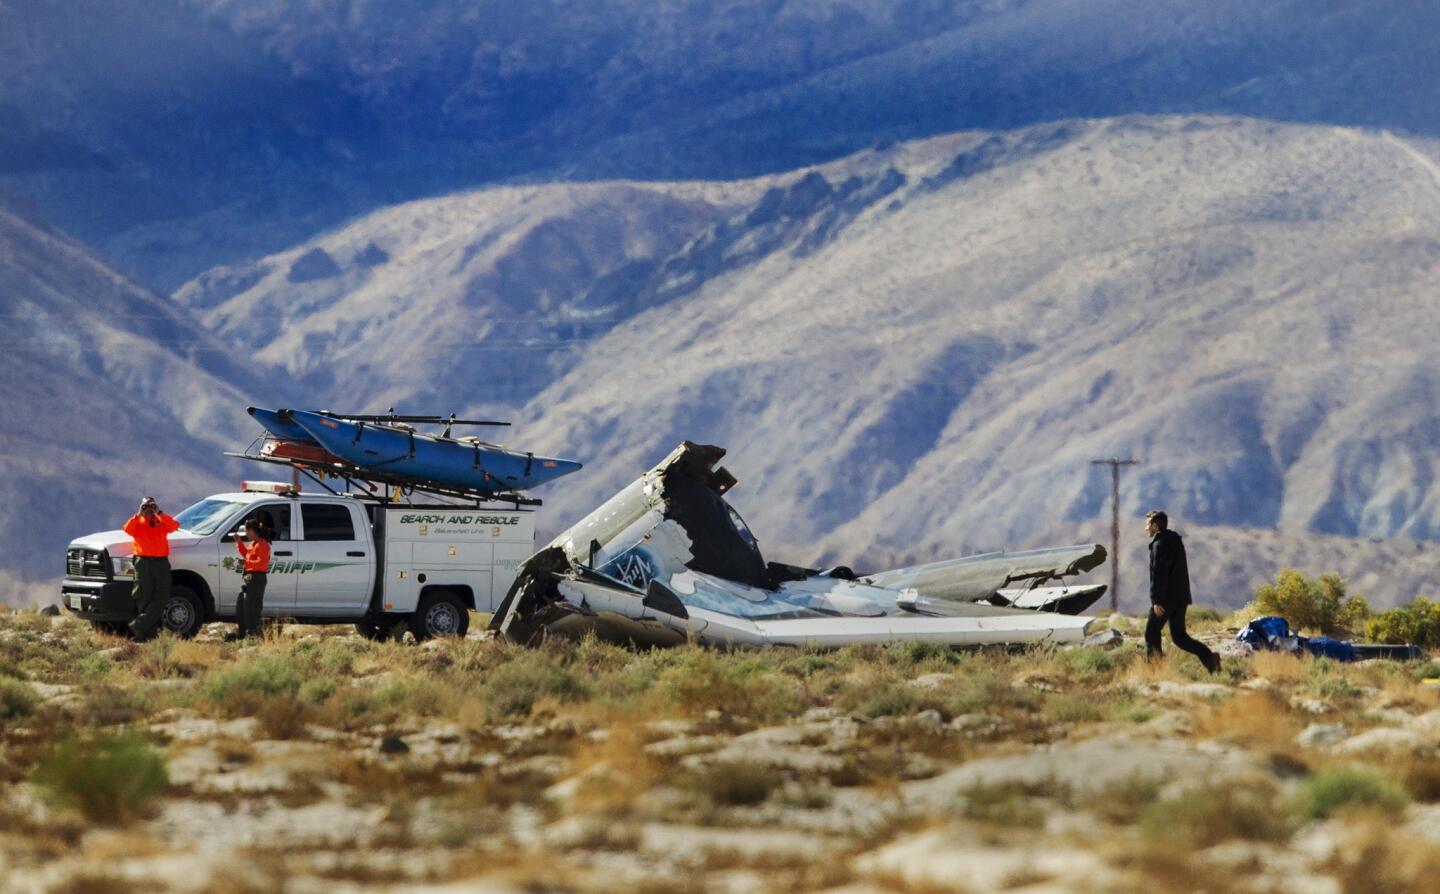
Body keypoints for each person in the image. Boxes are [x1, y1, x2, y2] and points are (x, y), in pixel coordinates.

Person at [1146, 509, 1221, 674]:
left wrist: (1156, 601)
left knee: (1151, 632)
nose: (1146, 528)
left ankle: (1155, 670)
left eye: (1148, 525)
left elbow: (1159, 575)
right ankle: (1210, 659)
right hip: (1181, 598)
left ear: (1155, 525)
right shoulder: (1175, 541)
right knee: (1179, 637)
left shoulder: (1159, 544)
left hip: (1165, 599)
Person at [121, 496, 180, 640]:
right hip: (143, 562)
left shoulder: (161, 520)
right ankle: (145, 634)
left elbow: (174, 526)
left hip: (161, 562)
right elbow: (127, 529)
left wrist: (159, 512)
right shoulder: (137, 522)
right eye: (146, 506)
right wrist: (138, 514)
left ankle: (139, 624)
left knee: (163, 595)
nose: (148, 509)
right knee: (144, 596)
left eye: (151, 506)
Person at [228, 519, 271, 641]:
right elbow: (246, 554)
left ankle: (253, 635)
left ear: (252, 531)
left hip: (257, 579)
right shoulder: (253, 544)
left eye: (247, 531)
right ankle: (243, 633)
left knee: (252, 607)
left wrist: (245, 562)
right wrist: (239, 542)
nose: (246, 533)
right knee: (242, 605)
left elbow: (261, 564)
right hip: (248, 578)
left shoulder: (263, 544)